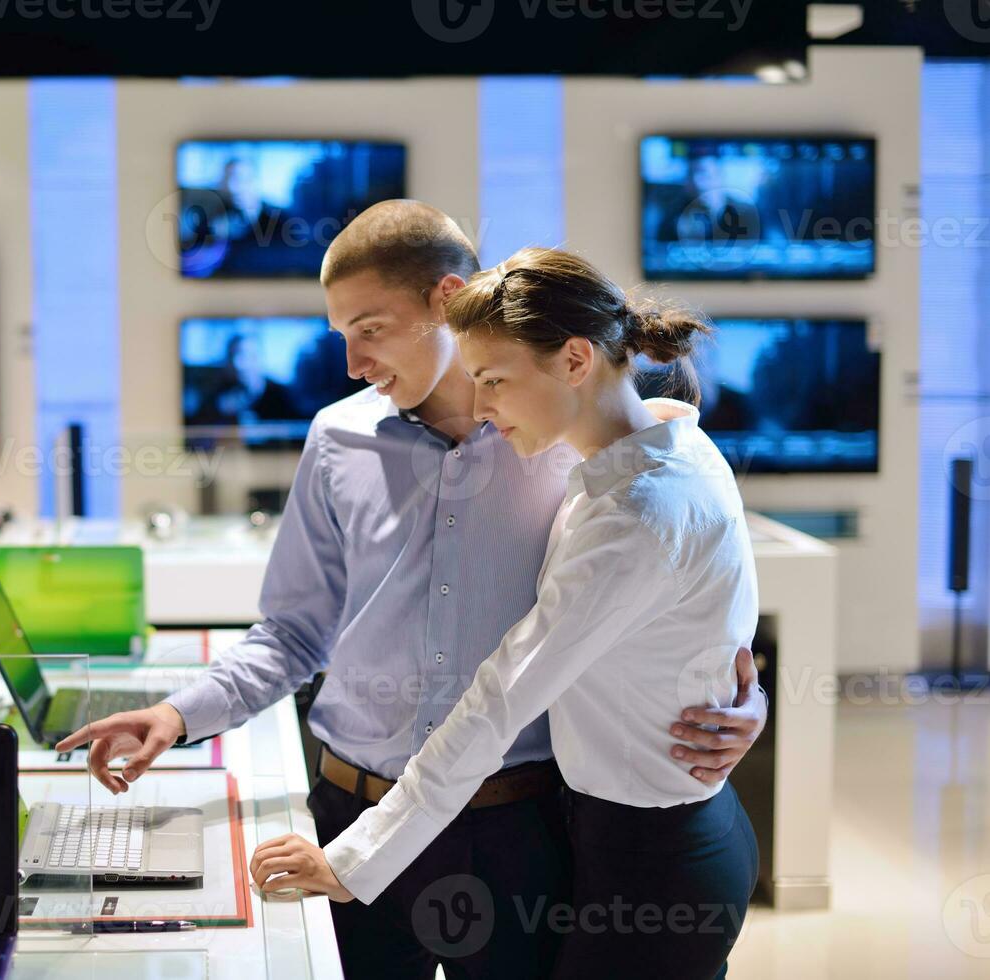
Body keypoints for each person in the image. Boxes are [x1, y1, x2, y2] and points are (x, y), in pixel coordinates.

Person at [58, 201, 767, 979]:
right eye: (341, 338)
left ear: (445, 299)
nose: (353, 364)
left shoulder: (572, 439)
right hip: (348, 806)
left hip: (517, 828)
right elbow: (294, 631)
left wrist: (730, 693)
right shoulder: (336, 438)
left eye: (370, 329)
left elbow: (663, 577)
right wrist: (174, 714)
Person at [249, 247, 760, 980]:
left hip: (655, 855)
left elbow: (501, 695)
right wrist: (740, 696)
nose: (482, 406)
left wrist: (353, 862)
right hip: (621, 828)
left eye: (492, 380)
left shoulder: (636, 514)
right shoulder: (658, 443)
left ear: (576, 360)